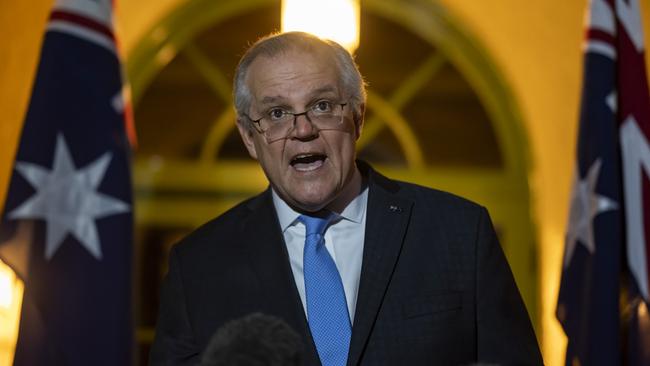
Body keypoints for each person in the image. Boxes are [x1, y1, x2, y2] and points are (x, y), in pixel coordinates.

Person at [149, 31, 543, 366]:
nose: (302, 129)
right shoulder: (198, 266)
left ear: (357, 115)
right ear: (250, 138)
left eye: (322, 106)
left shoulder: (459, 233)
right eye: (277, 113)